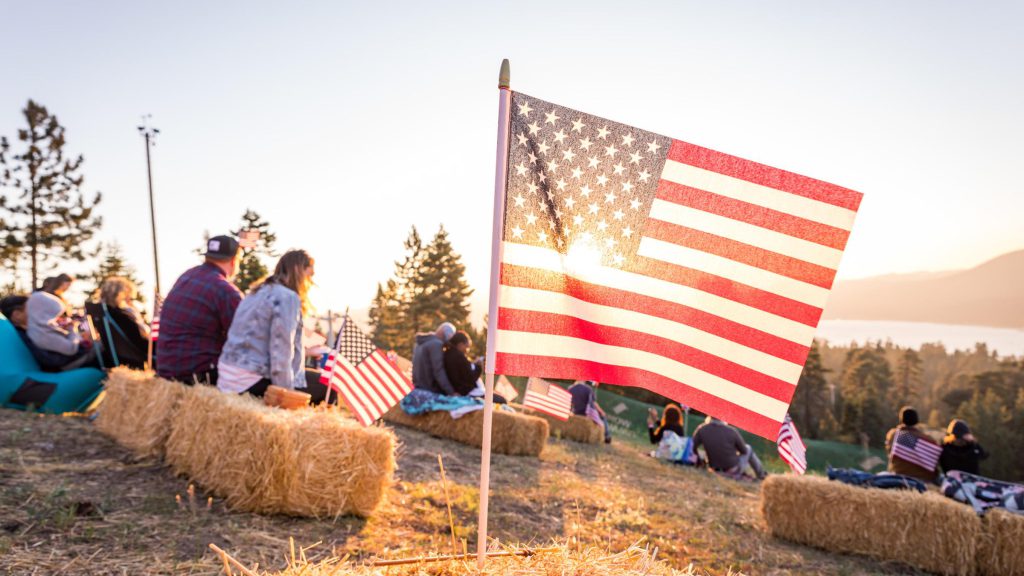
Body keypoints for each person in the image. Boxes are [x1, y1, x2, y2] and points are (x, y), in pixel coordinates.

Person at [217, 250, 315, 397]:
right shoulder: (287, 297)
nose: (311, 281)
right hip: (250, 379)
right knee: (329, 387)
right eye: (310, 274)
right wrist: (287, 394)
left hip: (228, 377)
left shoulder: (257, 291)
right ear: (299, 272)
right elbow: (281, 352)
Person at [156, 235, 244, 385]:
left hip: (165, 369)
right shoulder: (226, 291)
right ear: (234, 260)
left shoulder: (186, 276)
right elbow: (243, 340)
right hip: (197, 375)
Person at [25, 274, 96, 369]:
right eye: (68, 285)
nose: (68, 288)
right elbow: (71, 348)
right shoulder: (44, 333)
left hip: (60, 357)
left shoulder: (36, 327)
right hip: (63, 364)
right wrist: (72, 329)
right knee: (99, 346)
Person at [2, 294, 82, 371]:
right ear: (17, 315)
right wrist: (82, 349)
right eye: (33, 308)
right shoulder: (24, 335)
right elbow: (51, 361)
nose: (38, 311)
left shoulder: (22, 331)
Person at [93, 276, 150, 369]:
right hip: (135, 357)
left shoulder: (105, 314)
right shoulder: (121, 316)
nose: (130, 300)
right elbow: (141, 341)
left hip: (119, 357)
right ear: (122, 295)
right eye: (129, 297)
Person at [691, 416, 766, 480]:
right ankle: (761, 475)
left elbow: (692, 446)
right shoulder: (731, 431)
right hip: (733, 469)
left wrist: (700, 461)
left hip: (714, 468)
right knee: (748, 448)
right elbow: (744, 451)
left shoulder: (702, 429)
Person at [884, 406, 939, 483]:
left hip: (898, 475)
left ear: (901, 419)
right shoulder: (928, 439)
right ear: (916, 420)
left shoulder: (894, 434)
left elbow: (890, 454)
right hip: (924, 479)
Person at [412, 322, 457, 395]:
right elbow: (439, 371)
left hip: (418, 388)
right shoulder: (436, 344)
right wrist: (451, 392)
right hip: (430, 391)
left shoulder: (419, 343)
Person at [442, 330, 483, 396]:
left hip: (457, 390)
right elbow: (470, 379)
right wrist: (478, 367)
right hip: (464, 392)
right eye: (467, 347)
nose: (467, 351)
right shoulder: (459, 357)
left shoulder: (447, 354)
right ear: (460, 344)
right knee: (501, 399)